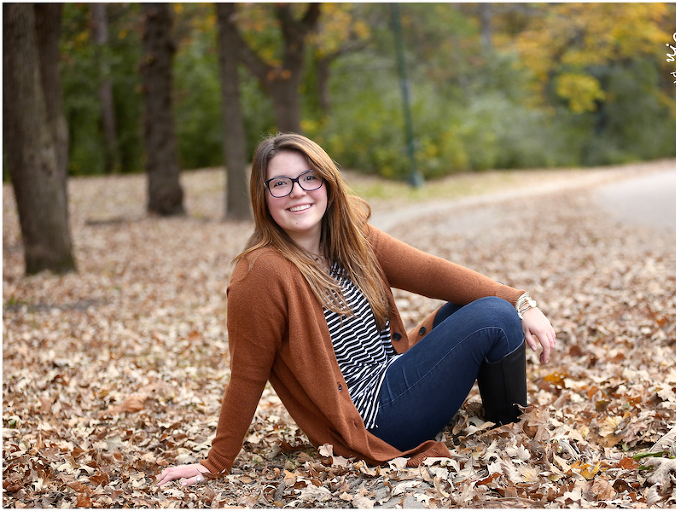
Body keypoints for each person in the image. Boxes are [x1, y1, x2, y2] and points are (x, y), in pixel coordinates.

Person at [157, 133, 556, 487]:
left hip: (393, 376)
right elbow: (246, 375)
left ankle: (503, 424)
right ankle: (510, 425)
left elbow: (433, 272)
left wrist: (523, 301)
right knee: (494, 317)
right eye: (279, 184)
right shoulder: (261, 273)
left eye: (308, 178)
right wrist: (215, 463)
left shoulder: (351, 238)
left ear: (327, 183)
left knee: (482, 305)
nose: (297, 191)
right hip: (375, 419)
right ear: (262, 197)